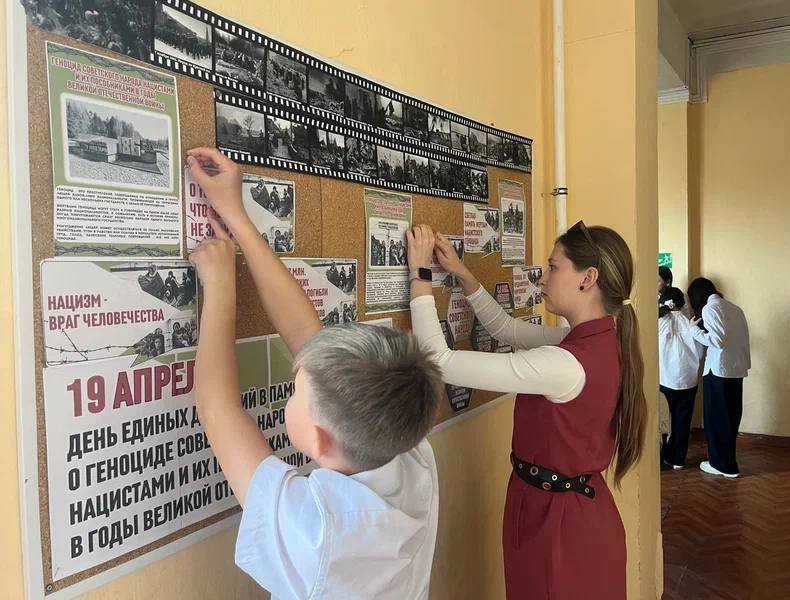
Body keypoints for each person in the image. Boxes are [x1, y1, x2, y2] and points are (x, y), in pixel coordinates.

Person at [185, 147, 442, 599]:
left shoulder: (318, 531)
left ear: (321, 440)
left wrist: (221, 284)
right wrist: (237, 217)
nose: (296, 377)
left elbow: (218, 409)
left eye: (295, 391)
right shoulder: (408, 453)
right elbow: (308, 336)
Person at [407, 221, 646, 599]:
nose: (542, 278)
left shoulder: (566, 363)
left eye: (553, 267)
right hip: (566, 513)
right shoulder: (595, 339)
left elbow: (439, 361)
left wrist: (420, 273)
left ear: (588, 279)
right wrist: (461, 273)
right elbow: (506, 330)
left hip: (560, 530)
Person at [688, 277, 750, 478]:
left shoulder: (710, 309)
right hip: (736, 369)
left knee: (715, 419)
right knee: (730, 418)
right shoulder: (735, 308)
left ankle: (721, 464)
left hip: (718, 371)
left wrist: (694, 330)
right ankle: (728, 462)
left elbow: (717, 341)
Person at [658, 286, 703, 470]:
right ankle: (678, 459)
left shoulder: (659, 322)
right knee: (682, 420)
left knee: (662, 420)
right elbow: (700, 352)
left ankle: (659, 457)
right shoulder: (690, 323)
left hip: (665, 378)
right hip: (688, 379)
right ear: (683, 303)